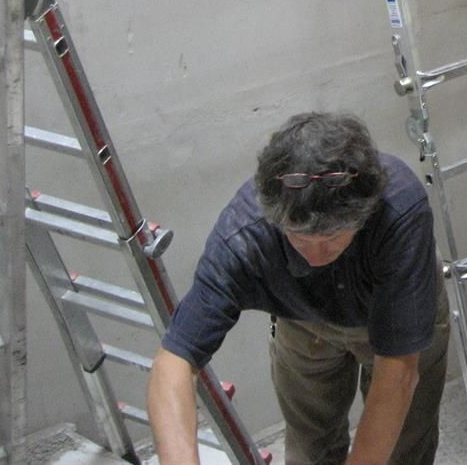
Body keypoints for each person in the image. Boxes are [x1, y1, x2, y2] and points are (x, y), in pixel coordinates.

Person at [147, 112, 449, 465]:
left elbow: (398, 372)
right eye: (301, 239)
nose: (317, 255)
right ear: (274, 220)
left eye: (334, 239)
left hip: (397, 311)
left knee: (404, 448)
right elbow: (175, 361)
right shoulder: (243, 236)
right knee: (310, 447)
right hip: (301, 321)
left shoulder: (399, 210)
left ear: (365, 216)